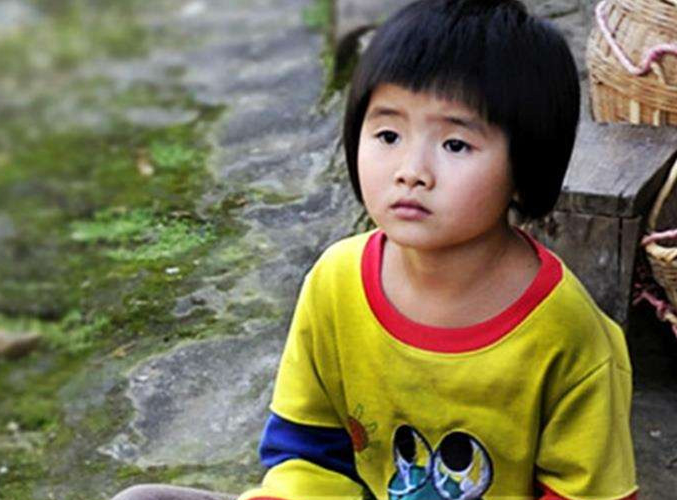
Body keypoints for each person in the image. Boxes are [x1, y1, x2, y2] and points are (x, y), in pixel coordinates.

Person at [113, 0, 637, 498]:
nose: (412, 171)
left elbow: (586, 495)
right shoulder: (336, 282)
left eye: (455, 144)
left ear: (526, 168)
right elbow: (306, 449)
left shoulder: (568, 334)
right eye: (388, 135)